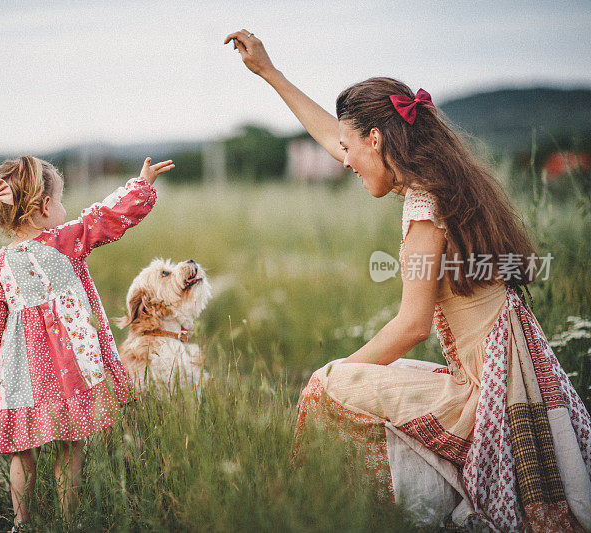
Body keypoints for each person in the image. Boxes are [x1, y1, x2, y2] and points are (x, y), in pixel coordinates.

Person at [225, 29, 591, 530]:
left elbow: (413, 325)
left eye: (352, 148)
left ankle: (336, 517)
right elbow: (337, 140)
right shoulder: (439, 181)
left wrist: (331, 373)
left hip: (486, 398)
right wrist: (270, 73)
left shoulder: (423, 205)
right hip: (509, 382)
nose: (345, 160)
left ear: (376, 140)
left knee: (328, 387)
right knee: (343, 382)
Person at [0, 155, 174, 531]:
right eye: (61, 199)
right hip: (68, 370)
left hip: (22, 376)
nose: (65, 207)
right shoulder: (64, 241)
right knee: (69, 447)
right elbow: (106, 219)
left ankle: (21, 524)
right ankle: (67, 522)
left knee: (21, 453)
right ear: (45, 207)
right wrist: (141, 184)